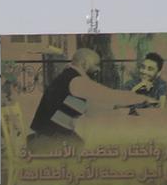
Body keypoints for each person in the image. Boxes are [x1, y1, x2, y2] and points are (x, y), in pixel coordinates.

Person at [28, 48, 156, 146]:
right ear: (84, 64)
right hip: (48, 141)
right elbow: (110, 95)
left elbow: (91, 110)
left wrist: (126, 109)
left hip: (48, 136)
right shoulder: (76, 81)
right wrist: (142, 98)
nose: (98, 69)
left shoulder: (68, 78)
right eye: (96, 64)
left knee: (84, 146)